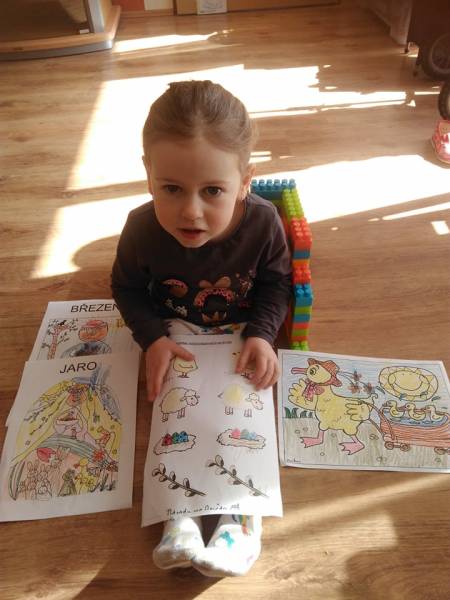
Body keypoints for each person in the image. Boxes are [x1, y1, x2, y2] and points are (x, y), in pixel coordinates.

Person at [111, 80, 292, 577]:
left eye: (213, 190)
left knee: (244, 412)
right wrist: (153, 337)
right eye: (171, 188)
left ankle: (239, 519)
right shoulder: (140, 228)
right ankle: (180, 516)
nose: (191, 211)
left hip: (241, 330)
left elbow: (278, 282)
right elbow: (126, 287)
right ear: (148, 175)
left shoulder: (264, 223)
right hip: (176, 331)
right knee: (177, 413)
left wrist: (262, 334)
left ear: (245, 180)